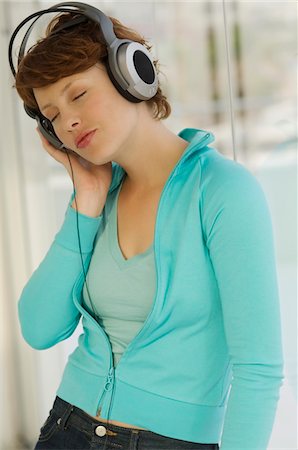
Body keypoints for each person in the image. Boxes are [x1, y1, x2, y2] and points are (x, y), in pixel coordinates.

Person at [13, 4, 284, 450]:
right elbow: (39, 328)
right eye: (53, 114)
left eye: (77, 95)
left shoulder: (223, 192)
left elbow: (258, 372)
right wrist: (86, 201)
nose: (69, 121)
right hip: (66, 428)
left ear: (131, 73)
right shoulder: (96, 197)